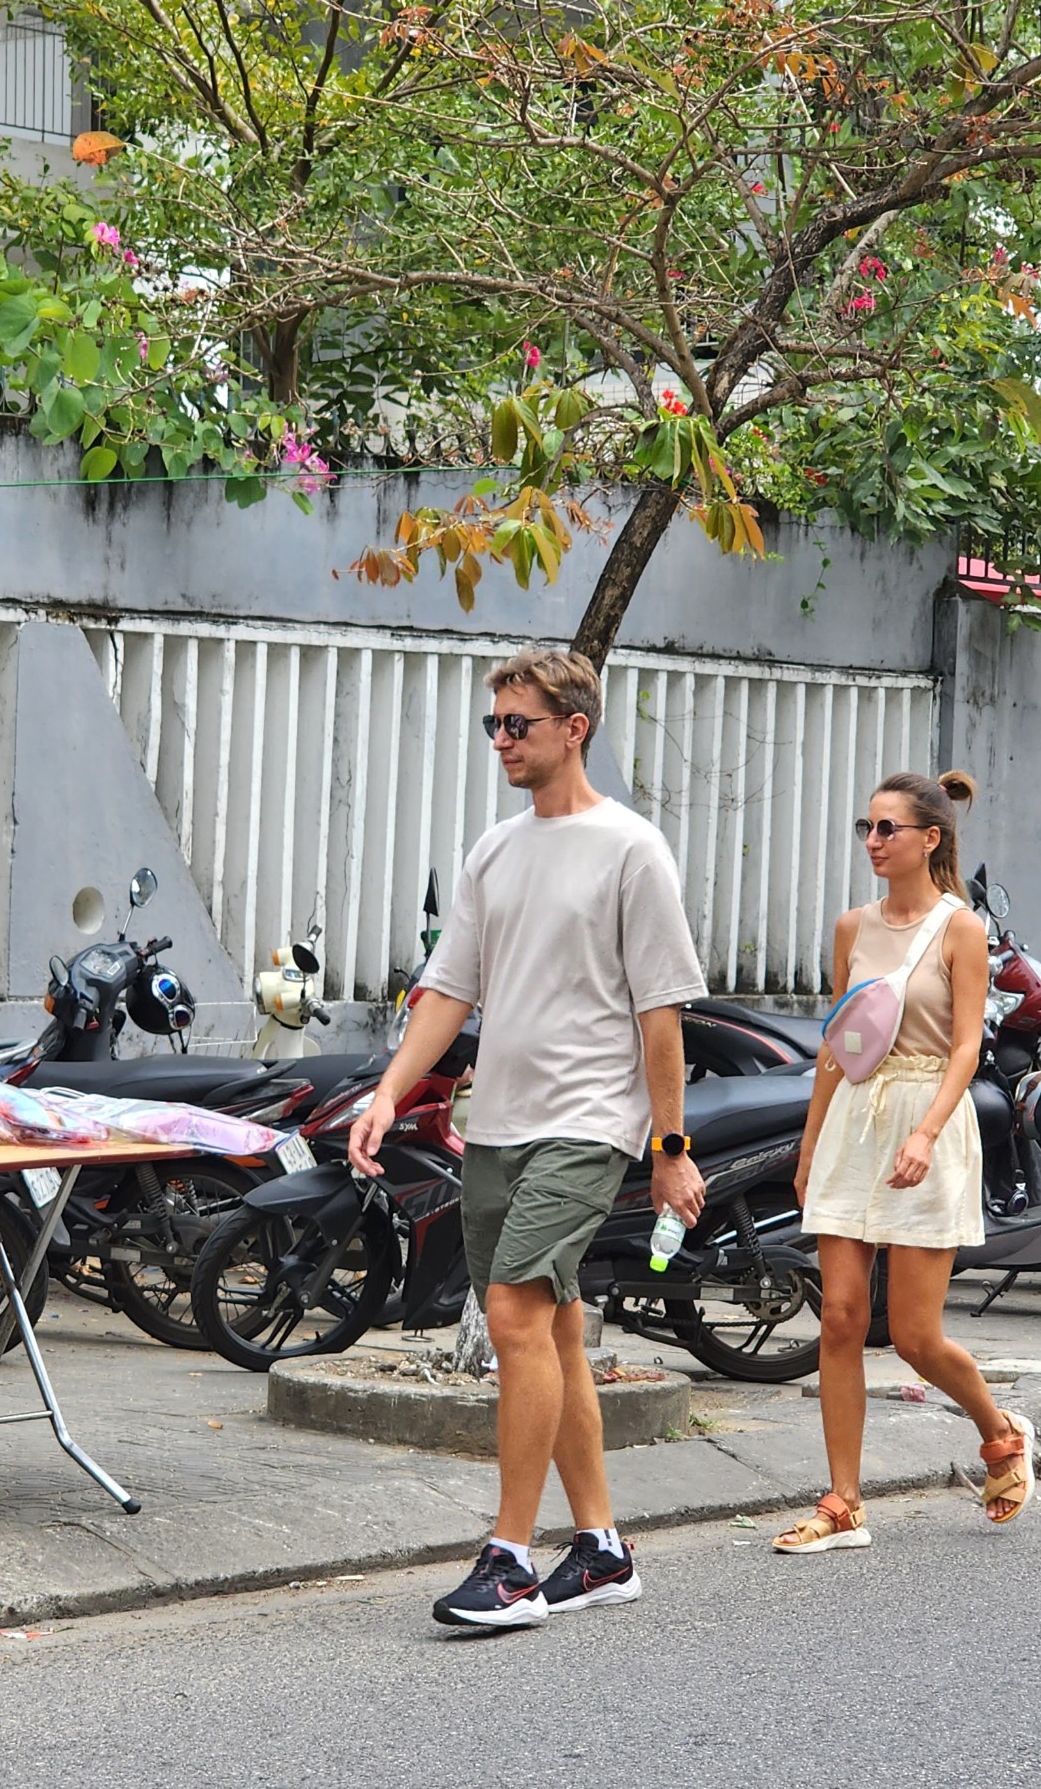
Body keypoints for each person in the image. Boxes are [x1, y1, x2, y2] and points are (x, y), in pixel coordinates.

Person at [350, 647, 707, 1629]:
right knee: (550, 1326)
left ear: (573, 727)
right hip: (498, 1121)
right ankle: (598, 1546)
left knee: (510, 1313)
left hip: (591, 1119)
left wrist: (668, 1142)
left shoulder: (632, 847)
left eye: (519, 723)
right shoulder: (493, 850)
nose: (501, 739)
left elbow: (660, 1013)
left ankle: (509, 1557)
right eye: (493, 725)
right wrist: (388, 1091)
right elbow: (448, 989)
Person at [772, 770, 1034, 1553]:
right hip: (854, 1121)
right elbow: (839, 1041)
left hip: (929, 1119)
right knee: (843, 1319)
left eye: (888, 829)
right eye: (868, 828)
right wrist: (811, 1142)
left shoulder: (961, 929)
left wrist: (924, 1133)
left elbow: (964, 1045)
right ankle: (843, 1503)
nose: (874, 842)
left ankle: (1001, 1434)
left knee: (916, 1337)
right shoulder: (852, 927)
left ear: (931, 838)